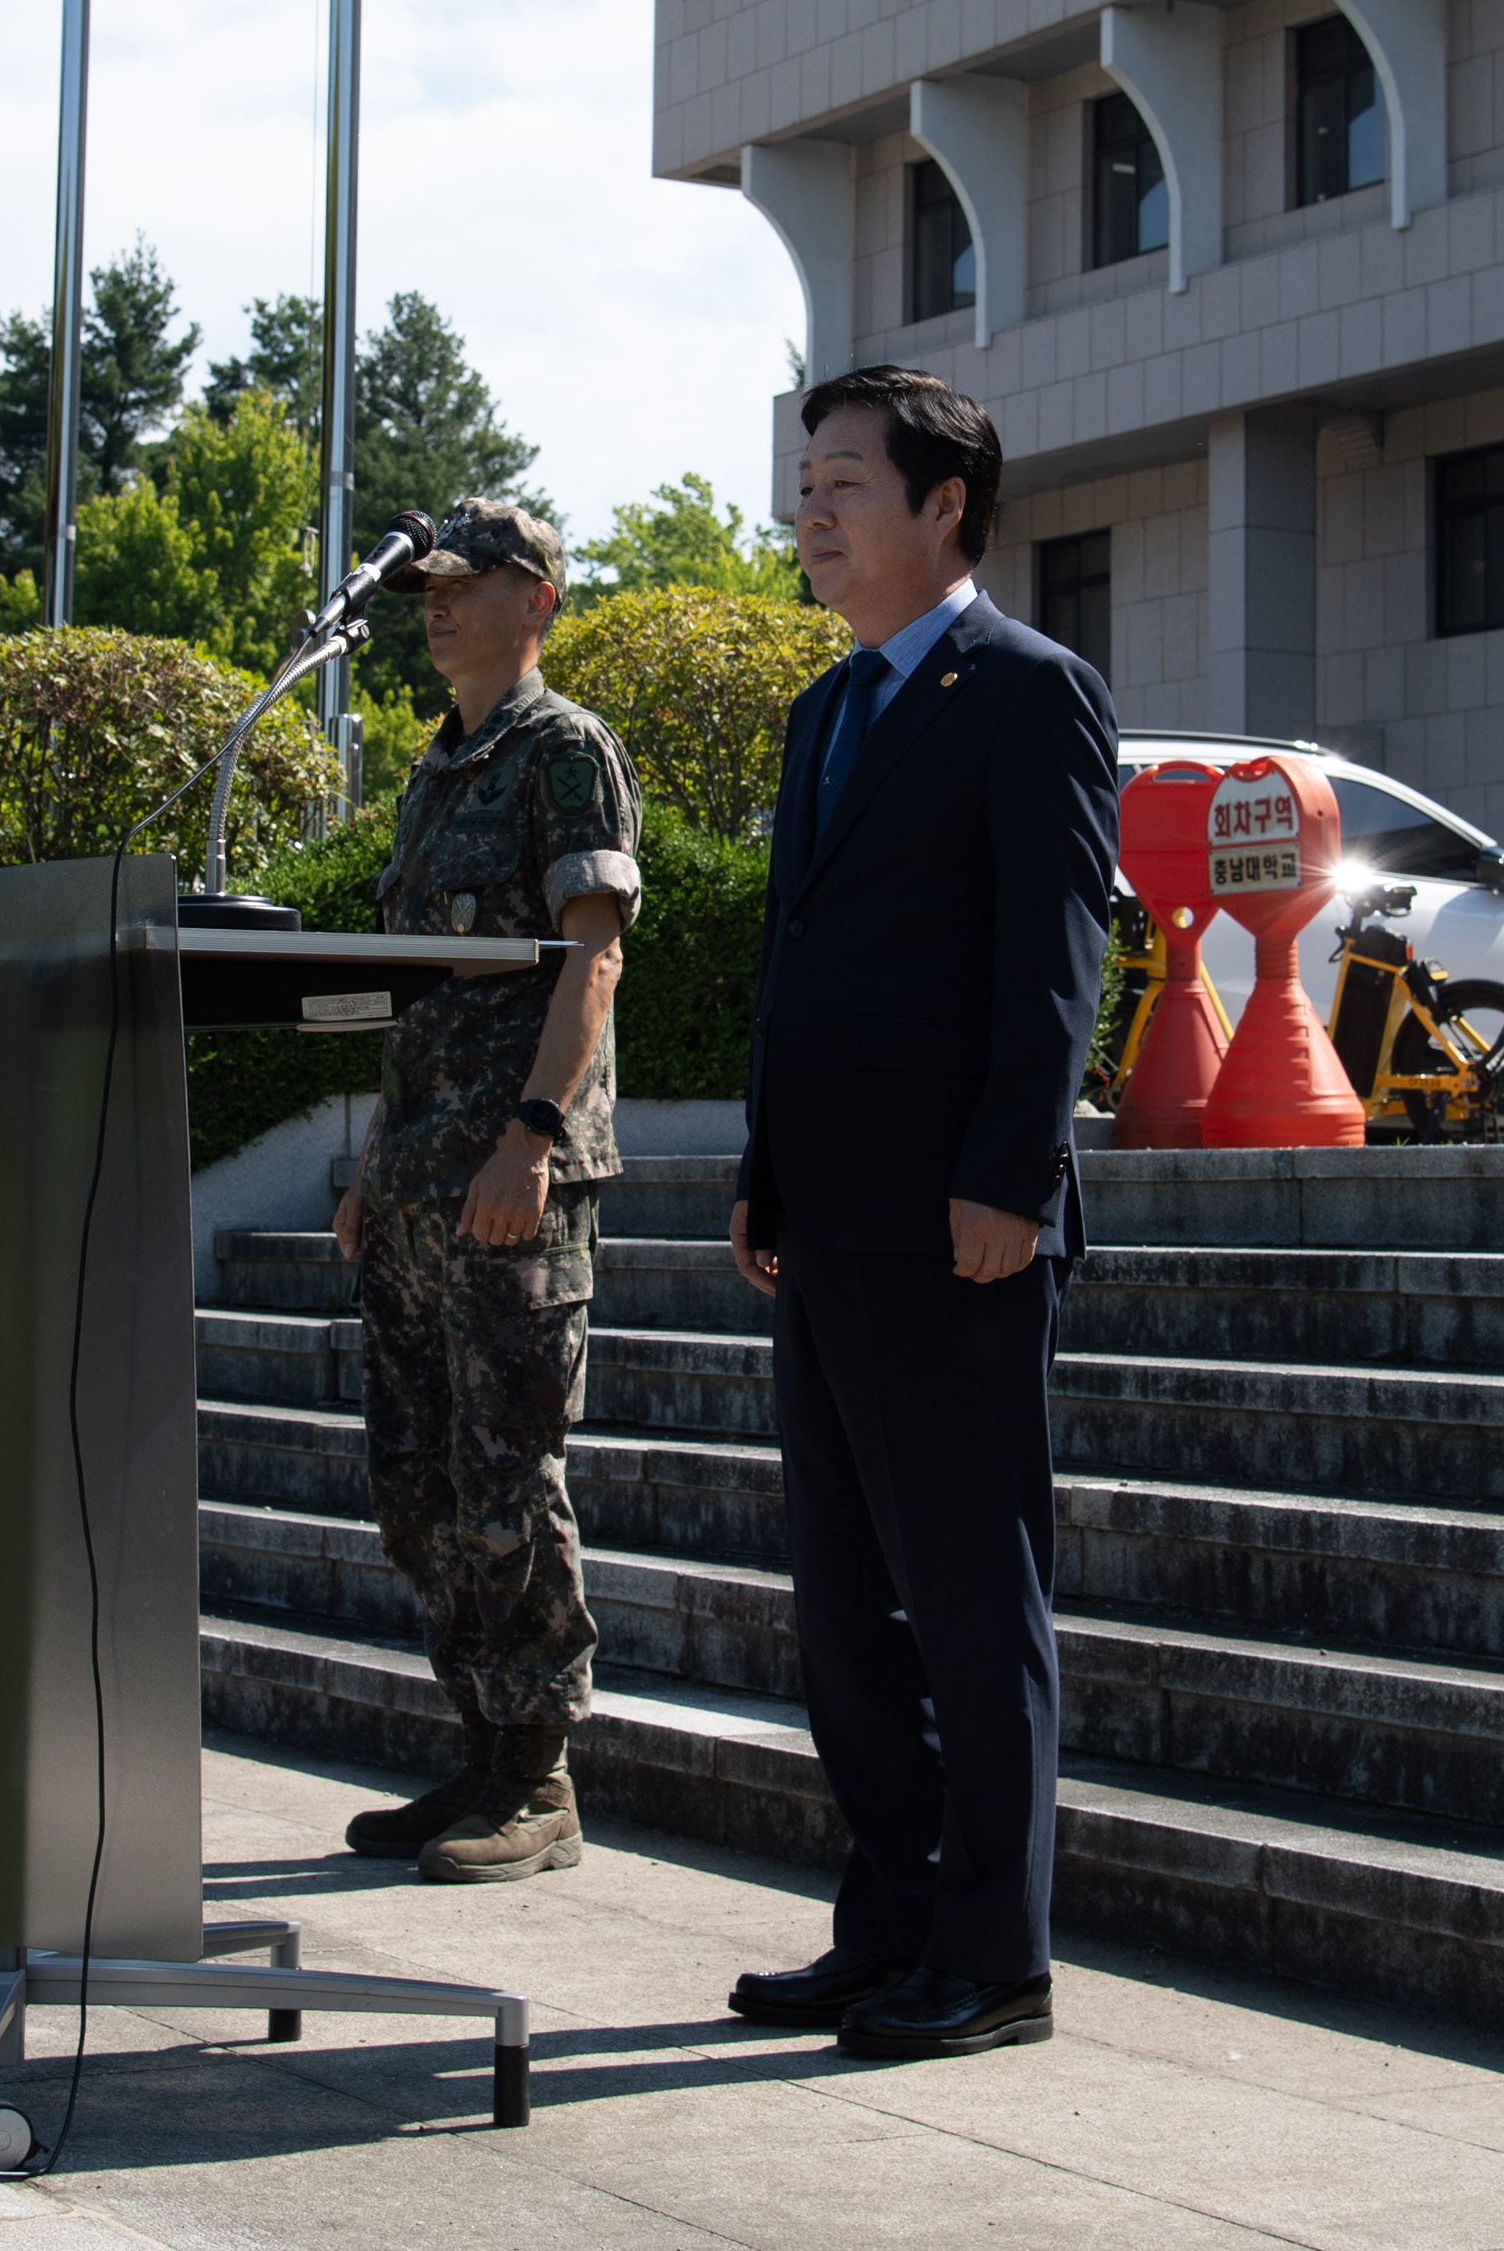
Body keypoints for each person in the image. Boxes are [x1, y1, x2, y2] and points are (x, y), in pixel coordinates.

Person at [723, 365, 1120, 2059]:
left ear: (945, 505)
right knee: (844, 1603)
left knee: (969, 1595)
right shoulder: (828, 708)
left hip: (957, 1221)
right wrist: (766, 1167)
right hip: (828, 1217)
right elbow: (800, 956)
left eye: (845, 484)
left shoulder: (1028, 691)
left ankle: (996, 1953)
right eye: (805, 483)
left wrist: (1008, 1177)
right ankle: (884, 1926)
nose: (810, 513)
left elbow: (1055, 956)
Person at [326, 496, 642, 1884]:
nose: (438, 605)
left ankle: (539, 1774)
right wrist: (373, 1161)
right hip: (416, 1181)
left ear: (540, 599)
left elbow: (592, 962)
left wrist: (531, 1134)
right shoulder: (433, 769)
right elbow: (410, 998)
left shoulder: (561, 751)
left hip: (513, 1180)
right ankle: (476, 1740)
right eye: (429, 588)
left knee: (509, 1480)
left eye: (467, 583)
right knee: (416, 1485)